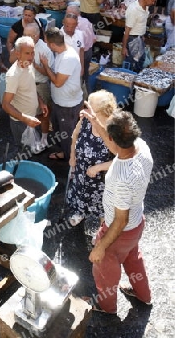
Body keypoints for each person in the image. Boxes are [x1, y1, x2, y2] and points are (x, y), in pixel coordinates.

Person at [80, 107, 153, 314]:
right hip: (137, 224)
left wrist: (100, 247)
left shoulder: (120, 176)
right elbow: (117, 146)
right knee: (133, 259)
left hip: (119, 232)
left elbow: (120, 221)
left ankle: (106, 307)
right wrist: (97, 123)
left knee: (104, 272)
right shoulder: (142, 147)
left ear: (111, 137)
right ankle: (144, 296)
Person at [67, 90, 117, 226]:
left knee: (102, 206)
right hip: (81, 171)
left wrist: (98, 167)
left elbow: (122, 160)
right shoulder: (85, 119)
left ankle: (102, 231)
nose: (85, 109)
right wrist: (72, 155)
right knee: (80, 193)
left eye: (90, 107)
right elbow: (75, 135)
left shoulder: (114, 129)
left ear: (100, 111)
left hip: (102, 180)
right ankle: (80, 213)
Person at [40, 28, 83, 161]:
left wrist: (45, 66)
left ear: (53, 45)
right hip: (61, 101)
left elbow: (58, 82)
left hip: (67, 105)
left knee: (66, 134)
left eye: (47, 43)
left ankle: (69, 160)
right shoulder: (62, 51)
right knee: (60, 130)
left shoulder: (67, 58)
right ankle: (64, 152)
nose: (46, 45)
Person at [2, 36, 48, 150]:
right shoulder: (13, 75)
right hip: (20, 123)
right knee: (23, 152)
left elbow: (31, 86)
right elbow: (5, 105)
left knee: (30, 149)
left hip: (30, 119)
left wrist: (41, 102)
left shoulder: (29, 64)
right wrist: (26, 119)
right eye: (27, 53)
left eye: (32, 53)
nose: (31, 57)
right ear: (17, 54)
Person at [122, 0, 158, 72]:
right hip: (132, 39)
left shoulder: (146, 7)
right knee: (131, 62)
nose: (153, 3)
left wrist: (142, 35)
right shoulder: (133, 9)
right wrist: (124, 47)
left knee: (140, 61)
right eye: (152, 1)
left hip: (139, 38)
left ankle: (135, 78)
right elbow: (127, 30)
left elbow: (142, 23)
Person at [66, 5, 96, 94]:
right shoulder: (86, 21)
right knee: (85, 77)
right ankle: (87, 97)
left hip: (80, 54)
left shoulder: (73, 25)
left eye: (67, 13)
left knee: (76, 77)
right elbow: (94, 39)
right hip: (89, 51)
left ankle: (79, 97)